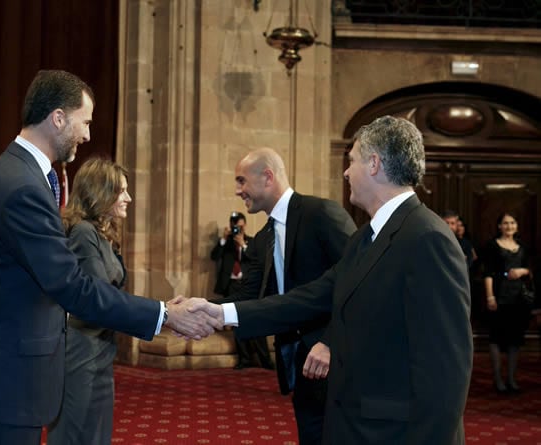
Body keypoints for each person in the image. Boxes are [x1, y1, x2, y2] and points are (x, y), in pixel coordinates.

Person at [0, 69, 219, 445]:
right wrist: (164, 314)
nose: (88, 134)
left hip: (11, 373)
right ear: (57, 118)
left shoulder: (24, 173)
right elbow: (70, 284)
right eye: (84, 121)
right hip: (5, 378)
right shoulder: (22, 184)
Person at [194, 116, 473, 444]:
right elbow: (310, 297)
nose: (345, 171)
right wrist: (220, 313)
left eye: (351, 160)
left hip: (394, 433)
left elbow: (447, 370)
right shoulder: (365, 238)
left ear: (373, 164)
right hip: (353, 424)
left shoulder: (427, 238)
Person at [216, 148, 356, 444]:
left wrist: (331, 342)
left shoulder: (321, 213)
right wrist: (192, 309)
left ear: (267, 177)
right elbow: (246, 299)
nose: (237, 190)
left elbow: (360, 281)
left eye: (242, 181)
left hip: (340, 360)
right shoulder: (263, 238)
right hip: (297, 362)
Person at [47, 158, 132, 444]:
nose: (128, 198)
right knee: (75, 434)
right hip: (81, 353)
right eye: (121, 192)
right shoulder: (83, 232)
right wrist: (161, 316)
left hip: (101, 350)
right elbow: (99, 298)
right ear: (101, 192)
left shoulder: (103, 234)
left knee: (95, 435)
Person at [211, 212, 273, 370]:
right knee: (236, 323)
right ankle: (244, 359)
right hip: (232, 285)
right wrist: (224, 240)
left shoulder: (252, 242)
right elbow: (214, 256)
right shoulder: (227, 244)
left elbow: (256, 260)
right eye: (234, 227)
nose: (237, 229)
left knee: (257, 323)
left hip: (249, 286)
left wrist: (243, 245)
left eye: (240, 226)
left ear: (244, 225)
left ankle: (265, 360)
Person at [482, 212, 533, 393]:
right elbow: (487, 273)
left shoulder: (523, 247)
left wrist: (522, 271)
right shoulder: (492, 246)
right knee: (496, 338)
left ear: (516, 226)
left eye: (512, 222)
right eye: (505, 223)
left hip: (518, 298)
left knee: (515, 340)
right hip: (498, 295)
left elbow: (530, 270)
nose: (509, 226)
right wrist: (490, 296)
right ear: (499, 226)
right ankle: (498, 379)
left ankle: (511, 378)